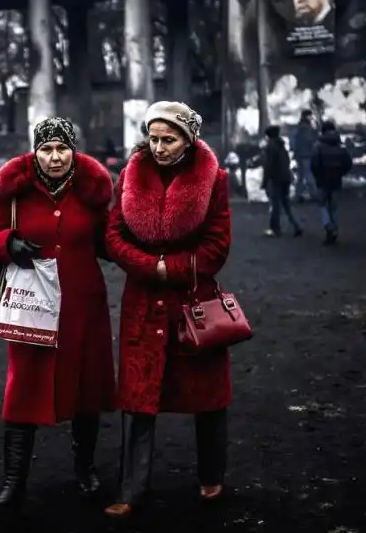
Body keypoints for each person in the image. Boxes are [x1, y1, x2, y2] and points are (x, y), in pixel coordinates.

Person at [0, 117, 116, 514]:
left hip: (82, 306)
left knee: (86, 388)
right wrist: (9, 242)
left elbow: (110, 241)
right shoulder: (15, 195)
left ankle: (85, 469)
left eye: (62, 148)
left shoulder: (91, 195)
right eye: (46, 149)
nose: (54, 157)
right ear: (34, 152)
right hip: (32, 308)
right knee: (24, 389)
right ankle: (12, 483)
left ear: (74, 151)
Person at [103, 101, 233, 518]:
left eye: (168, 139)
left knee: (207, 395)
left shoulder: (214, 180)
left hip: (194, 299)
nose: (158, 147)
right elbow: (114, 235)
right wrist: (149, 267)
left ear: (188, 138)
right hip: (143, 300)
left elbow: (217, 245)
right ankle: (131, 489)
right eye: (153, 138)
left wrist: (172, 268)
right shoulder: (129, 176)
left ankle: (211, 476)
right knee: (138, 396)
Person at [310, 121, 352, 245]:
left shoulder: (318, 146)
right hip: (336, 180)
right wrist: (340, 173)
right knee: (334, 207)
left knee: (322, 205)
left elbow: (314, 164)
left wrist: (317, 176)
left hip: (322, 180)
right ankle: (335, 230)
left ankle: (328, 226)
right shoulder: (340, 145)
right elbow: (348, 163)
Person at [261, 124, 303, 237]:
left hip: (276, 178)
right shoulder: (281, 145)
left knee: (275, 205)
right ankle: (297, 225)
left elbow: (268, 166)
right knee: (286, 203)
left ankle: (275, 228)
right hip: (285, 177)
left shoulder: (270, 147)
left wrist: (264, 182)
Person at [291, 109, 319, 201]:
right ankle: (313, 193)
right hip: (306, 154)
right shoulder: (306, 128)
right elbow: (310, 140)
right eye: (310, 116)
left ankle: (298, 194)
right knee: (308, 174)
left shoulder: (300, 127)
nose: (312, 118)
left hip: (300, 154)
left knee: (301, 175)